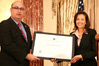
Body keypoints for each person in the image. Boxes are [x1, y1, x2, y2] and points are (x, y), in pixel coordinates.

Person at [0, 1, 40, 66]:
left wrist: (46, 51)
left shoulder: (26, 27)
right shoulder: (4, 24)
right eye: (16, 8)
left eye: (22, 9)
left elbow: (28, 44)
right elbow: (7, 45)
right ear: (11, 10)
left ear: (24, 11)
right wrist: (26, 55)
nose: (19, 11)